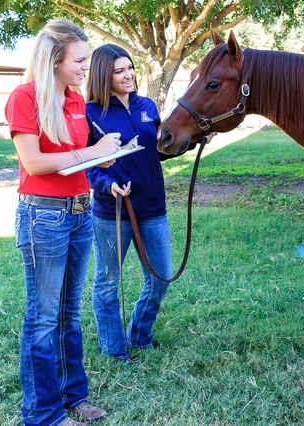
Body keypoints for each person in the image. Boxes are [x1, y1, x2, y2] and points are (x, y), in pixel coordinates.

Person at [5, 18, 121, 426]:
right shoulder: (25, 97)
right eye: (80, 60)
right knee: (43, 318)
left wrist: (101, 155)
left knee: (70, 313)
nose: (86, 68)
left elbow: (77, 157)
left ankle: (74, 397)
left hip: (79, 211)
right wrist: (90, 153)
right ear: (55, 59)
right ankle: (43, 414)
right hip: (44, 216)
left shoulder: (73, 99)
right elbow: (34, 163)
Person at [85, 44, 174, 362]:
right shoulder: (91, 113)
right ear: (103, 75)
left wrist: (194, 139)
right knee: (108, 282)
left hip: (152, 207)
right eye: (119, 70)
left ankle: (139, 333)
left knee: (161, 277)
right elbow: (87, 162)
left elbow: (162, 148)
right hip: (112, 211)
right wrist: (106, 184)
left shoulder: (147, 105)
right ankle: (114, 348)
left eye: (130, 68)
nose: (128, 75)